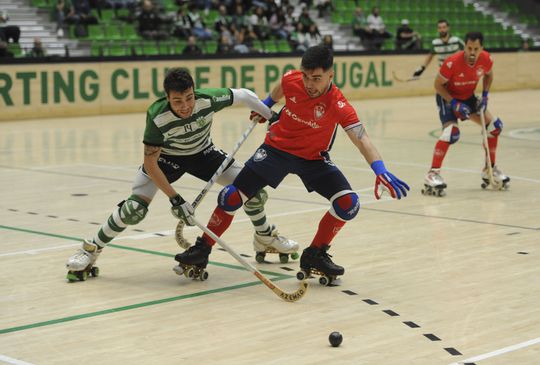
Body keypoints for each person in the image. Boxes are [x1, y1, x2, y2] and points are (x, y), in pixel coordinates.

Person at [174, 45, 409, 282]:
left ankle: (315, 253)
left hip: (313, 159)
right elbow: (278, 91)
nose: (309, 83)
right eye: (306, 76)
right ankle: (202, 249)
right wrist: (264, 106)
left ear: (331, 75)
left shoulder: (339, 105)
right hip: (276, 150)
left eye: (316, 78)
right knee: (231, 197)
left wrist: (380, 169)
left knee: (348, 203)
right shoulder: (291, 79)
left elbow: (362, 138)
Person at [66, 68, 298, 281]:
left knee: (254, 192)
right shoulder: (157, 116)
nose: (185, 106)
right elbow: (151, 162)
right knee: (133, 210)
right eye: (177, 101)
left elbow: (245, 95)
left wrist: (269, 115)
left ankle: (265, 237)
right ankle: (91, 249)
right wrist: (175, 199)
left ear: (194, 92)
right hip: (166, 161)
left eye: (189, 98)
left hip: (204, 153)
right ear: (167, 98)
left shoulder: (208, 99)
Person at [423, 31, 510, 196]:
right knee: (451, 133)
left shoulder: (486, 59)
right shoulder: (452, 62)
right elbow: (437, 85)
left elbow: (489, 75)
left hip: (468, 97)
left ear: (481, 48)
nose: (471, 52)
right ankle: (432, 173)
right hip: (447, 97)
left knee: (494, 127)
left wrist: (485, 95)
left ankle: (489, 169)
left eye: (475, 49)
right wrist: (454, 103)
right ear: (465, 46)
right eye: (469, 48)